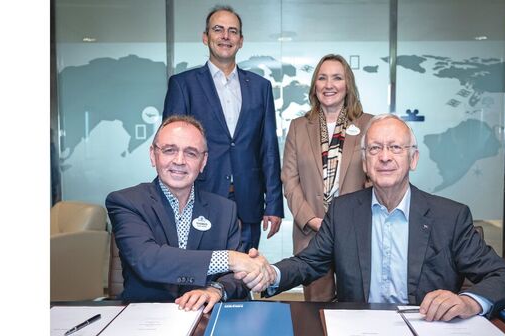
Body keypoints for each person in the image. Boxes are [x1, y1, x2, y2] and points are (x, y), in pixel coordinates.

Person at [243, 114, 505, 321]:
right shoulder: (343, 211)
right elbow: (308, 263)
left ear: (413, 159)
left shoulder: (450, 216)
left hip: (426, 327)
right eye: (375, 149)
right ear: (365, 163)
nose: (384, 157)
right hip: (360, 327)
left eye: (395, 148)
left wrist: (469, 302)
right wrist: (271, 274)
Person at [106, 115, 275, 313]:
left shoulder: (224, 210)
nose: (179, 161)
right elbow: (148, 260)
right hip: (145, 317)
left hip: (204, 318)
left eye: (191, 153)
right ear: (153, 155)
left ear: (203, 162)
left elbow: (237, 277)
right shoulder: (126, 202)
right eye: (169, 150)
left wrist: (216, 289)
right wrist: (230, 258)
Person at [162, 5, 283, 252]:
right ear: (206, 37)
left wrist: (273, 204)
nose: (225, 36)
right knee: (201, 275)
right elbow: (170, 147)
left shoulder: (261, 87)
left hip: (248, 201)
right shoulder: (184, 85)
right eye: (218, 30)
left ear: (241, 41)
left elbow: (268, 148)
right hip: (198, 196)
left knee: (244, 276)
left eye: (232, 31)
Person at [281, 54, 372, 301]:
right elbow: (289, 179)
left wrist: (353, 219)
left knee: (356, 306)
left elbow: (373, 179)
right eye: (322, 78)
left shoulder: (368, 124)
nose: (328, 84)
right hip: (312, 234)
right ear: (314, 85)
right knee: (315, 308)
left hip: (355, 231)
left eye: (337, 78)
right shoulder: (299, 126)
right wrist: (310, 219)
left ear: (348, 85)